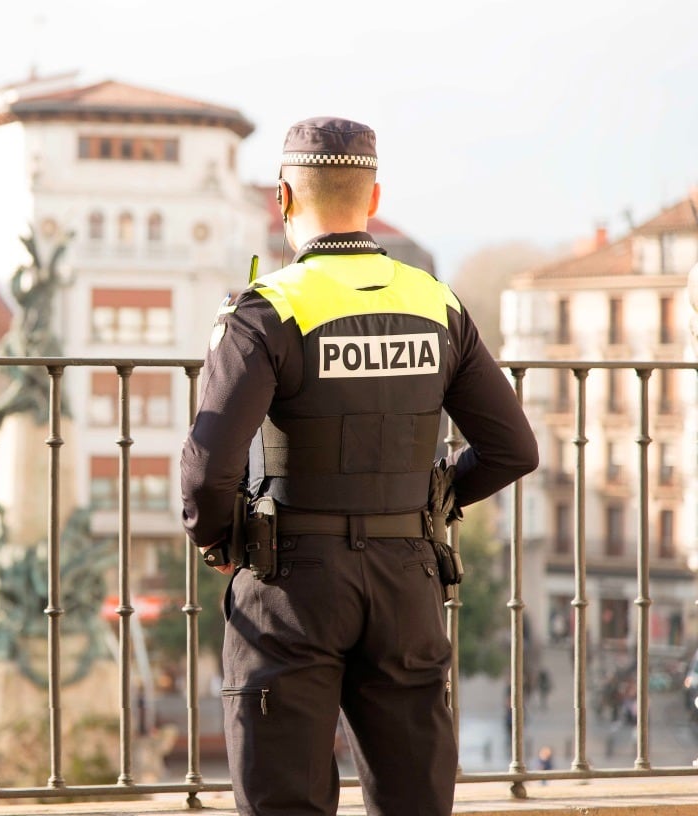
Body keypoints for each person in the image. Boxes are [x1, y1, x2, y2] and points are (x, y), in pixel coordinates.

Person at [180, 118, 538, 816]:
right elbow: (512, 449)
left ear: (283, 198)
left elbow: (205, 472)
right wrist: (429, 509)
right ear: (373, 199)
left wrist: (221, 540)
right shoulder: (438, 303)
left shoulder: (267, 310)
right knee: (414, 798)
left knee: (285, 798)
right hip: (408, 578)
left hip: (290, 583)